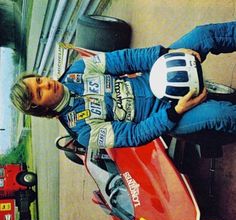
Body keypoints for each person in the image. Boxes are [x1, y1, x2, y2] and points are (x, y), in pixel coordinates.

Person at [10, 21, 236, 149]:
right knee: (221, 115)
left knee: (202, 35)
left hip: (153, 76)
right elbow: (136, 135)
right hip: (164, 116)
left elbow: (126, 59)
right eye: (39, 92)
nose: (47, 84)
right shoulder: (84, 132)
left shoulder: (78, 70)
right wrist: (175, 112)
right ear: (40, 108)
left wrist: (169, 55)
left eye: (39, 80)